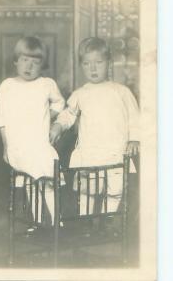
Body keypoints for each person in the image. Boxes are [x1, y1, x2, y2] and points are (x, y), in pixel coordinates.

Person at [50, 37, 139, 217]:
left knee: (115, 189)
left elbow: (134, 117)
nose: (93, 68)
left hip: (115, 150)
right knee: (87, 190)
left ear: (109, 63)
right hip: (90, 151)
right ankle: (86, 220)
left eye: (98, 62)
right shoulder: (81, 93)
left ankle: (108, 219)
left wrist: (135, 138)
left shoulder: (121, 92)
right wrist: (59, 125)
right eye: (87, 63)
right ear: (81, 65)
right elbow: (69, 113)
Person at [0, 36, 65, 226]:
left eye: (35, 62)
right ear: (16, 60)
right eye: (25, 60)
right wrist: (5, 147)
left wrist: (49, 115)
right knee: (36, 180)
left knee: (46, 181)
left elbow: (60, 102)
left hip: (40, 145)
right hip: (18, 147)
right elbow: (0, 119)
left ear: (42, 65)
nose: (29, 66)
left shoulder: (46, 84)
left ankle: (56, 222)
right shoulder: (7, 86)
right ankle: (41, 223)